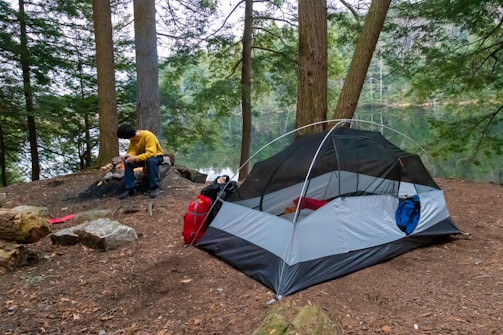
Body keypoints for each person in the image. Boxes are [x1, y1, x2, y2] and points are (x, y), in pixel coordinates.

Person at [116, 124, 164, 199]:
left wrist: (135, 158)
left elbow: (151, 153)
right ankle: (129, 188)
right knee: (127, 162)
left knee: (151, 161)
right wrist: (128, 156)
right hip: (142, 157)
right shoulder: (133, 139)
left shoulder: (148, 135)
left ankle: (154, 187)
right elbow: (132, 150)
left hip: (156, 156)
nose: (129, 140)